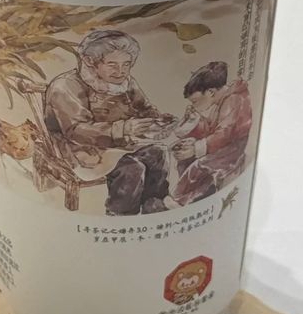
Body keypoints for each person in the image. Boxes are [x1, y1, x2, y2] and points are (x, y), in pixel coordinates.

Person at [43, 29, 175, 214]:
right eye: (112, 64)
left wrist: (158, 121)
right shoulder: (66, 86)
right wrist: (123, 129)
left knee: (157, 153)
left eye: (126, 64)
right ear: (90, 61)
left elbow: (144, 108)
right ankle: (121, 215)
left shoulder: (126, 82)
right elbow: (76, 130)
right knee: (132, 168)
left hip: (120, 142)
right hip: (81, 148)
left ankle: (154, 207)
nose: (120, 71)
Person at [171, 61, 252, 206]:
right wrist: (193, 123)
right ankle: (192, 200)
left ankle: (179, 201)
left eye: (195, 101)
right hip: (222, 146)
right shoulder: (220, 102)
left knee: (199, 166)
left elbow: (224, 134)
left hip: (232, 149)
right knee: (185, 161)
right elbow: (210, 129)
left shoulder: (234, 99)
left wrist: (196, 148)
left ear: (211, 92)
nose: (194, 105)